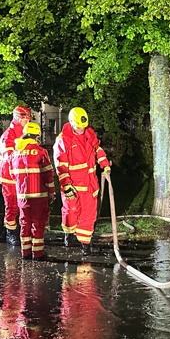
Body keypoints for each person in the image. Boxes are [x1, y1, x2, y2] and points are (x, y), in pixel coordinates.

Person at [53, 107, 111, 255]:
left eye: (83, 127)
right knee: (71, 212)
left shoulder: (89, 134)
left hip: (90, 184)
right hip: (73, 186)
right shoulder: (63, 140)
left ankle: (85, 243)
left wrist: (104, 165)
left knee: (89, 214)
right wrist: (66, 185)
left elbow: (97, 150)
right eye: (78, 127)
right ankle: (69, 234)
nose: (81, 129)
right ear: (71, 122)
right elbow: (61, 165)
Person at [9, 122, 56, 261]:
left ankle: (26, 253)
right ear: (36, 136)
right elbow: (48, 174)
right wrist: (51, 191)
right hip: (39, 195)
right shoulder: (41, 152)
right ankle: (38, 253)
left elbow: (12, 175)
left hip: (22, 196)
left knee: (24, 223)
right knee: (38, 223)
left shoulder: (15, 153)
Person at [0, 105, 32, 246]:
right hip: (9, 176)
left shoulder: (22, 132)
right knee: (12, 205)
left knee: (23, 204)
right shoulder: (9, 135)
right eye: (25, 119)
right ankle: (10, 233)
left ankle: (18, 230)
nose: (27, 121)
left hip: (19, 175)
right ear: (18, 118)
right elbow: (10, 157)